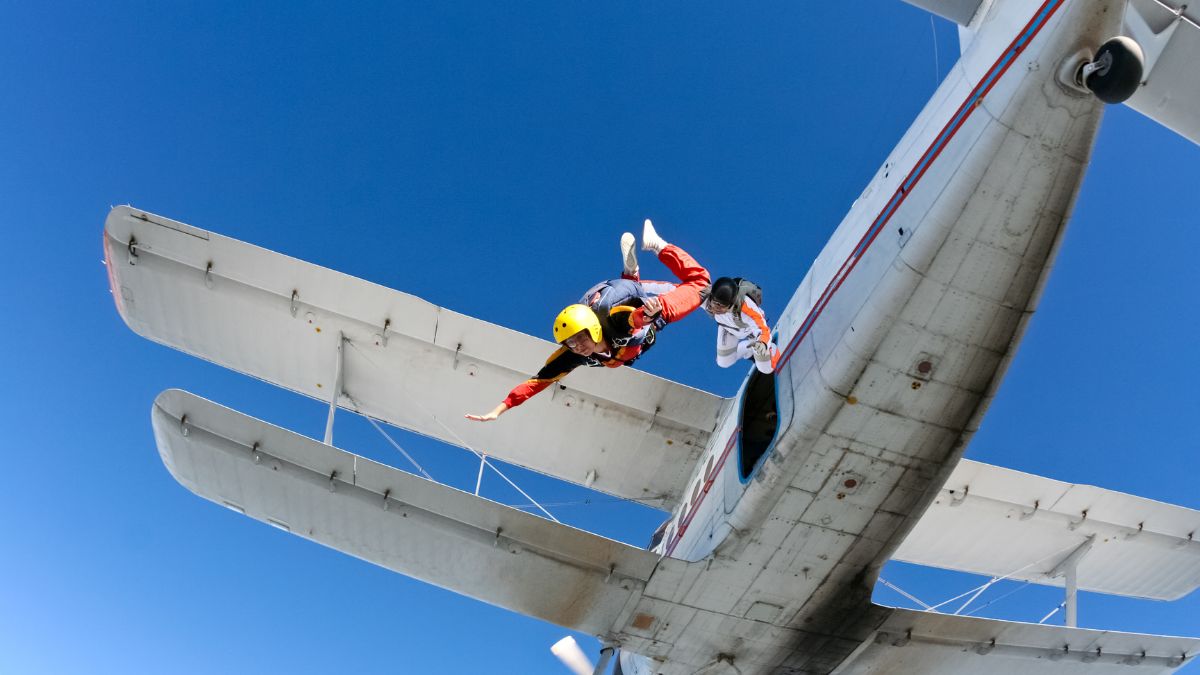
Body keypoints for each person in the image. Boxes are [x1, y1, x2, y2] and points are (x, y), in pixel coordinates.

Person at [465, 219, 709, 422]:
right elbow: (536, 383)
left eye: (580, 338)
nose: (578, 346)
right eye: (571, 343)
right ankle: (630, 276)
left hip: (652, 311)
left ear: (592, 329)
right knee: (618, 354)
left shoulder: (616, 321)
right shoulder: (572, 355)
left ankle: (657, 247)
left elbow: (631, 318)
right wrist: (498, 410)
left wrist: (648, 314)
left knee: (702, 284)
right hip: (626, 321)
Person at [703, 276, 779, 374]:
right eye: (715, 303)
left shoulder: (746, 307)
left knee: (766, 368)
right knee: (723, 362)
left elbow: (763, 329)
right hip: (728, 329)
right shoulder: (705, 298)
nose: (716, 308)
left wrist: (762, 343)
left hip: (750, 331)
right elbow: (684, 293)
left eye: (721, 306)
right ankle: (748, 350)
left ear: (731, 304)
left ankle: (771, 348)